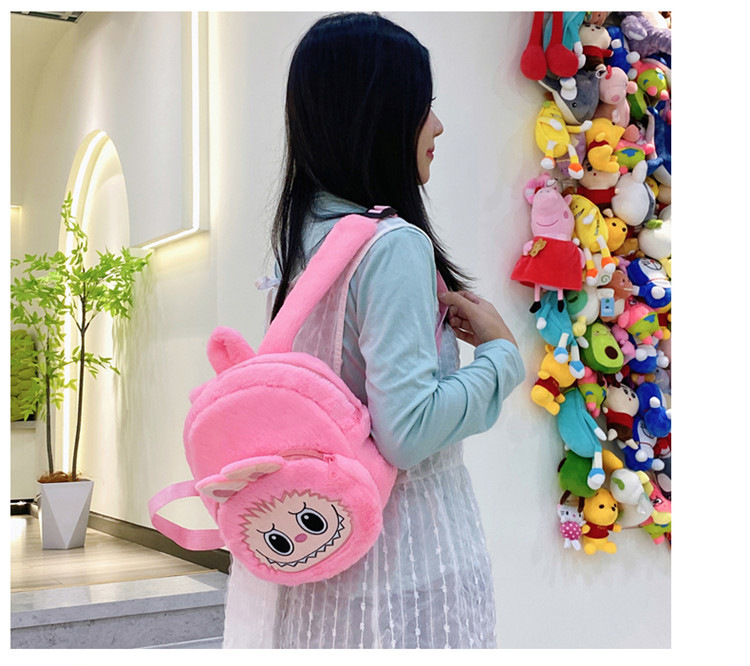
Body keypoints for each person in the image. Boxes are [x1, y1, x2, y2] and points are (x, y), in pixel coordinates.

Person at [222, 11, 524, 649]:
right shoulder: (392, 245)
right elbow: (407, 433)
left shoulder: (303, 238)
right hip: (408, 562)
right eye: (423, 106)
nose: (437, 126)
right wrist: (500, 355)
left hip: (323, 565)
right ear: (377, 114)